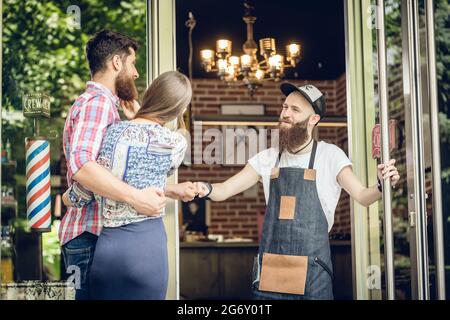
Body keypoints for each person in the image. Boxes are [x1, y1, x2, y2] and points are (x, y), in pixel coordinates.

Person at [195, 83, 400, 300]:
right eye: (285, 107)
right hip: (272, 273)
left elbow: (363, 196)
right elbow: (225, 189)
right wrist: (204, 188)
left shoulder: (330, 155)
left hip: (314, 272)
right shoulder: (267, 158)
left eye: (295, 110)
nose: (286, 114)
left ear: (314, 119)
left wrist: (381, 185)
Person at [60, 30, 194, 300]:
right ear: (116, 63)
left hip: (97, 237)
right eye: (132, 64)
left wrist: (166, 191)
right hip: (89, 234)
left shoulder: (109, 108)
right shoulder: (98, 104)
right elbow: (83, 166)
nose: (135, 74)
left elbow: (107, 171)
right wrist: (136, 198)